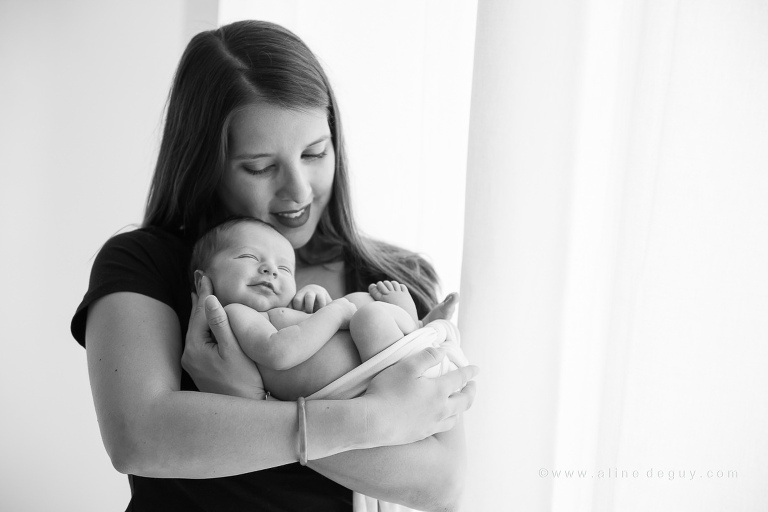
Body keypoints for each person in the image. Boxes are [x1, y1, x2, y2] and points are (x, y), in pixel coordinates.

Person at [71, 19, 478, 511]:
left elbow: (441, 485)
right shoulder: (146, 265)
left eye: (314, 152)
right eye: (261, 167)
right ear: (205, 163)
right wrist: (374, 421)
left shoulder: (392, 280)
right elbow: (139, 437)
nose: (299, 191)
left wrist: (251, 397)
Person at [191, 216, 453, 401]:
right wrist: (334, 312)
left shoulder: (278, 311)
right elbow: (279, 351)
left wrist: (316, 302)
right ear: (202, 279)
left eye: (283, 269)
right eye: (249, 257)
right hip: (365, 384)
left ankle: (418, 327)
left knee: (362, 304)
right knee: (368, 316)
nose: (270, 270)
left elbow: (313, 331)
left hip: (375, 367)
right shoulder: (234, 313)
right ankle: (416, 327)